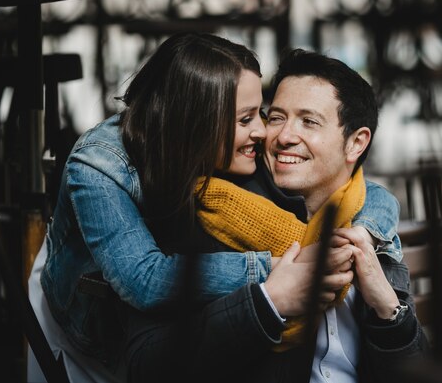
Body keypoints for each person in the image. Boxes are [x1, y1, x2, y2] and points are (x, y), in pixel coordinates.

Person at [26, 33, 396, 383]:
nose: (265, 132)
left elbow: (362, 189)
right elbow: (145, 280)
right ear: (198, 122)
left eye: (261, 114)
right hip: (83, 322)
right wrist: (274, 270)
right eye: (246, 118)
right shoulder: (99, 164)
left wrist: (363, 232)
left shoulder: (229, 154)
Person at [124, 48, 429, 383]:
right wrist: (269, 302)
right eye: (277, 117)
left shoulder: (368, 228)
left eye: (309, 121)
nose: (283, 136)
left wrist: (389, 310)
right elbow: (145, 365)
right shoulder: (213, 214)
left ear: (355, 143)